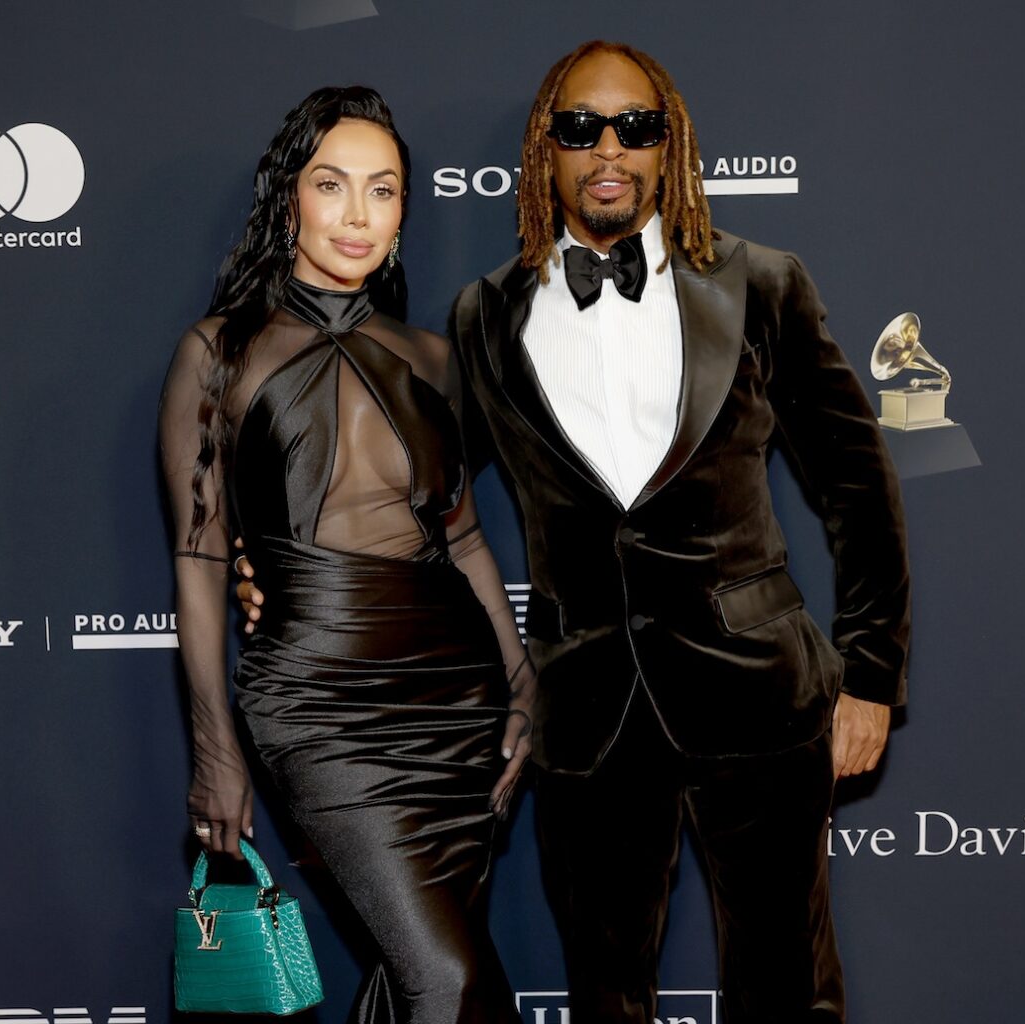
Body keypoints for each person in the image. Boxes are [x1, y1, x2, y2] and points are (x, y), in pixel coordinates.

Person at [239, 44, 911, 1023]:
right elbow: (412, 489)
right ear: (543, 150)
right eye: (580, 126)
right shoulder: (484, 316)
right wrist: (285, 564)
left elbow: (859, 485)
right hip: (586, 711)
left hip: (760, 691)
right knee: (606, 994)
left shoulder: (762, 284)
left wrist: (873, 675)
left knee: (787, 988)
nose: (608, 149)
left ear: (668, 145)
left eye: (636, 127)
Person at [159, 85, 532, 1024]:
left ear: (404, 212)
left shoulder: (433, 357)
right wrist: (216, 749)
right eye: (332, 185)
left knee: (423, 979)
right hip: (318, 703)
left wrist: (522, 679)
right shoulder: (218, 353)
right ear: (290, 198)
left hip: (457, 702)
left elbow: (464, 537)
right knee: (448, 980)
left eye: (383, 189)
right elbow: (200, 562)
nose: (359, 214)